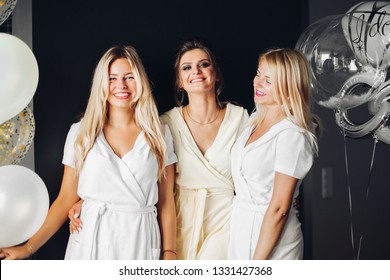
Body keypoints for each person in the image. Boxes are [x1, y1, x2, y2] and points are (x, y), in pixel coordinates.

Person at [0, 45, 177, 260]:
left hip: (140, 239)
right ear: (102, 83)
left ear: (140, 81)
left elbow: (167, 201)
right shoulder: (81, 133)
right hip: (92, 239)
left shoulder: (159, 133)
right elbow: (65, 199)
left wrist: (170, 255)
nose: (121, 85)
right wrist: (28, 248)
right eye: (112, 78)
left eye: (129, 77)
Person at [159, 38, 249, 259]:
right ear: (180, 81)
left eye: (204, 64)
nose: (196, 71)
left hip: (227, 223)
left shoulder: (241, 118)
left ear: (216, 74)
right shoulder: (166, 123)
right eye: (187, 68)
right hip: (180, 225)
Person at [228, 48, 320, 260]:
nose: (257, 83)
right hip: (241, 228)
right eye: (258, 74)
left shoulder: (292, 135)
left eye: (268, 80)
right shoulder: (253, 122)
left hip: (273, 240)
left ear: (289, 87)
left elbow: (279, 208)